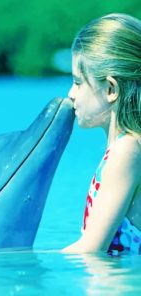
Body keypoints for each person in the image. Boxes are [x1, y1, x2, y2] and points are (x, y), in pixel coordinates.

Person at [61, 13, 141, 255]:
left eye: (78, 82)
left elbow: (91, 249)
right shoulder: (123, 149)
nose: (70, 94)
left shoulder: (126, 151)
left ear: (110, 89)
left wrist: (24, 266)